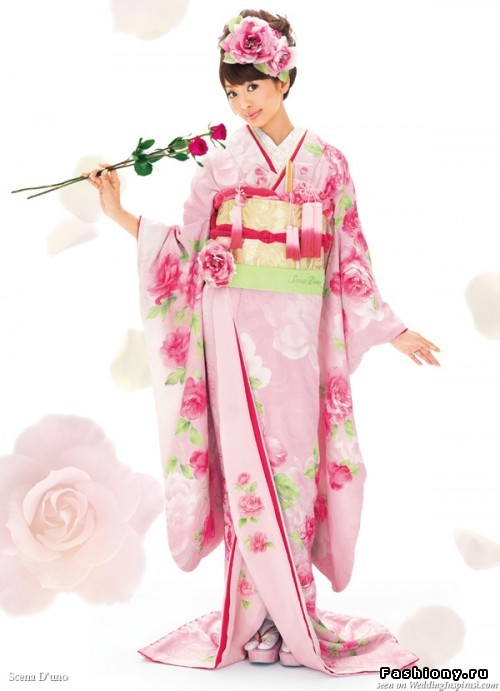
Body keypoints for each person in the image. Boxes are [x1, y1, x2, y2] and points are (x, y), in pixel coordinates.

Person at [83, 9, 440, 676]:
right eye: (232, 90)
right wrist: (119, 212)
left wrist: (393, 329)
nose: (244, 101)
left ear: (284, 79)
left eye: (254, 85)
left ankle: (290, 612)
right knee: (247, 467)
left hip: (298, 338)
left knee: (293, 465)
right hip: (233, 331)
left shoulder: (328, 164)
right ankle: (254, 616)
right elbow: (187, 248)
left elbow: (350, 255)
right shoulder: (218, 163)